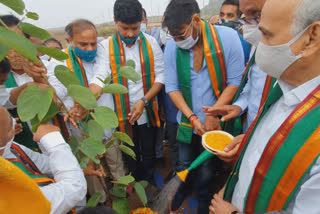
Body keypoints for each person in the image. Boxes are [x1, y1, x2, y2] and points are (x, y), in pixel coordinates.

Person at [209, 0, 320, 213]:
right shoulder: (284, 85)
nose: (258, 44)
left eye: (267, 35)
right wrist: (253, 142)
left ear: (311, 38)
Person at [163, 0, 244, 213]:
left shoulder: (227, 39)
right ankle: (177, 200)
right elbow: (171, 87)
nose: (178, 41)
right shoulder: (173, 46)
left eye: (181, 35)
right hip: (188, 122)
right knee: (183, 165)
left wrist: (214, 111)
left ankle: (201, 206)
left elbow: (235, 81)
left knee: (207, 172)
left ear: (196, 20)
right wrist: (192, 117)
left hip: (215, 123)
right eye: (174, 36)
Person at [85, 0, 164, 183]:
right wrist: (87, 100)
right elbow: (100, 76)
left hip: (145, 107)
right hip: (120, 112)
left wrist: (144, 101)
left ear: (141, 23)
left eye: (135, 28)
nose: (130, 34)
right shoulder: (105, 47)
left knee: (149, 147)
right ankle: (136, 180)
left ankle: (150, 178)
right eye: (125, 28)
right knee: (130, 150)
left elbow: (161, 76)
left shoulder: (151, 43)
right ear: (115, 21)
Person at [47, 19, 126, 202]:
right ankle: (101, 203)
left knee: (115, 162)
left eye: (93, 43)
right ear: (69, 41)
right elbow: (57, 95)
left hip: (105, 123)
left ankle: (122, 194)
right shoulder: (58, 62)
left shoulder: (102, 51)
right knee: (92, 170)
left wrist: (83, 105)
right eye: (83, 44)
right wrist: (70, 108)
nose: (90, 48)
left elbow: (99, 78)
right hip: (81, 129)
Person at [0, 106, 87, 214]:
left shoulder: (11, 148)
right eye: (9, 128)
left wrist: (80, 168)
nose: (15, 126)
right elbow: (74, 188)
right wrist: (55, 142)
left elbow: (44, 164)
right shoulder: (11, 198)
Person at [204, 0, 268, 140]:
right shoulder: (256, 46)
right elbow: (252, 85)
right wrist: (239, 106)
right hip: (251, 127)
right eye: (245, 17)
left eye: (254, 14)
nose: (247, 23)